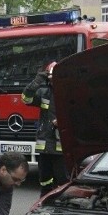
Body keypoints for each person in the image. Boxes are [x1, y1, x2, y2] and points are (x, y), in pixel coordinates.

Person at [22, 61, 67, 195]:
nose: (53, 81)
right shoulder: (43, 92)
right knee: (45, 181)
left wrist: (62, 121)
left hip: (61, 148)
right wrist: (37, 81)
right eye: (51, 78)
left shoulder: (69, 92)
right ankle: (44, 201)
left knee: (63, 181)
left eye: (55, 78)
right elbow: (26, 99)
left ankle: (62, 206)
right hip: (45, 147)